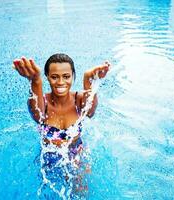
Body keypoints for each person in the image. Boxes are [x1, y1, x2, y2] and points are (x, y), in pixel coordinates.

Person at [13, 53, 110, 195]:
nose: (60, 82)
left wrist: (88, 81)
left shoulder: (79, 100)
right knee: (48, 194)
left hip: (77, 154)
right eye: (54, 77)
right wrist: (35, 81)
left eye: (66, 76)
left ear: (73, 76)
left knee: (81, 192)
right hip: (49, 157)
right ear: (47, 77)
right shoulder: (43, 103)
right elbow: (36, 114)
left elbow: (90, 112)